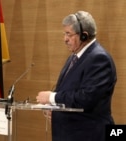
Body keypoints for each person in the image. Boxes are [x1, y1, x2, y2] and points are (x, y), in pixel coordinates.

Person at [36, 11, 117, 141]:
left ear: (84, 36)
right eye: (64, 34)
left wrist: (52, 97)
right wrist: (54, 109)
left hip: (89, 135)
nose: (65, 39)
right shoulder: (74, 57)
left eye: (69, 34)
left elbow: (87, 98)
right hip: (68, 133)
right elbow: (66, 92)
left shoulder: (99, 58)